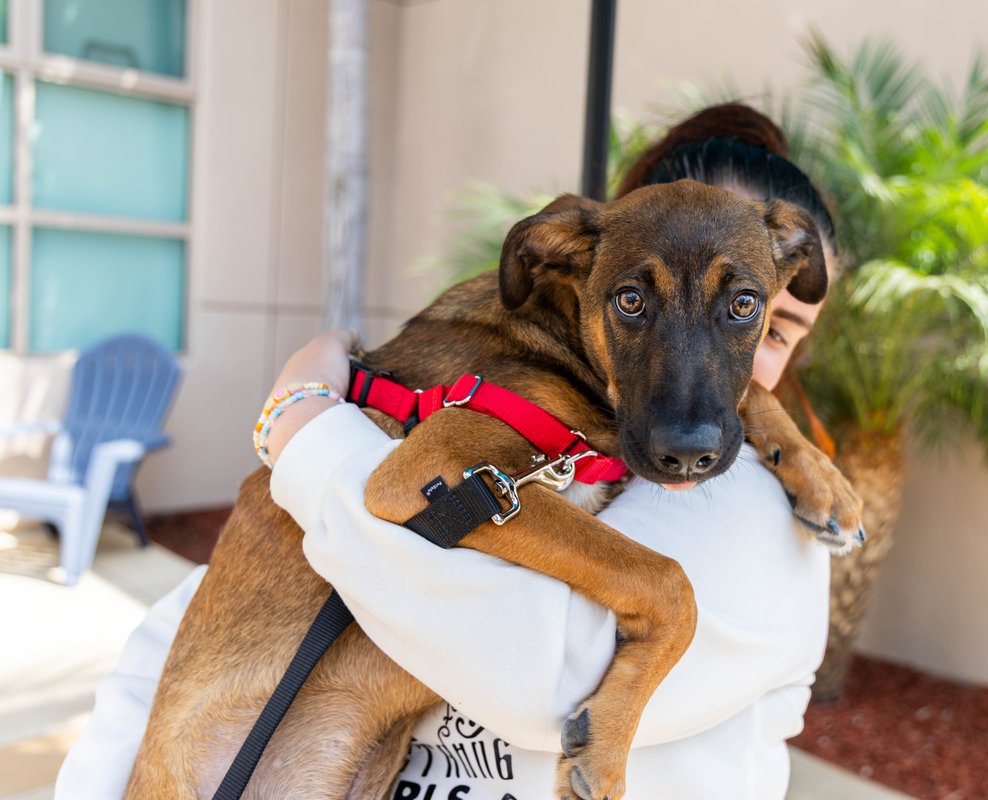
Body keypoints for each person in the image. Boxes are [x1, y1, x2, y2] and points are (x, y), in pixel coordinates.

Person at [57, 104, 841, 800]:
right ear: (580, 269)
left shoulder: (761, 517)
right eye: (636, 301)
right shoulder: (506, 377)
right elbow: (183, 620)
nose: (702, 404)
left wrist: (299, 425)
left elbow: (545, 685)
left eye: (761, 323)